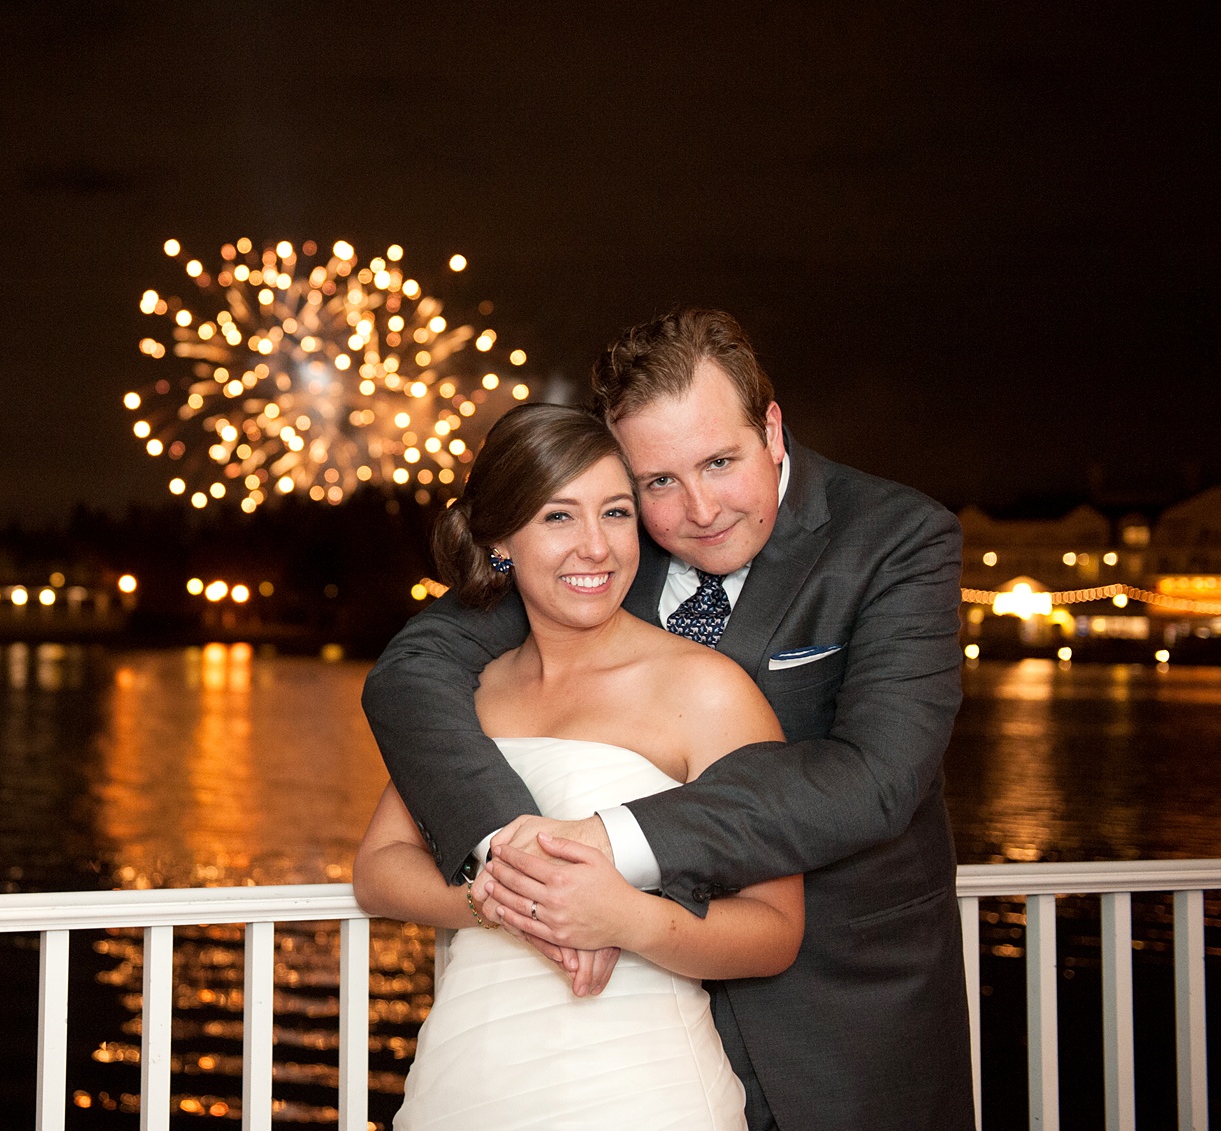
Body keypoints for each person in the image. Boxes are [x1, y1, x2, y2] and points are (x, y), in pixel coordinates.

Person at [362, 309, 975, 1131]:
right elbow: (413, 670)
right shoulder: (605, 539)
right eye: (657, 482)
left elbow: (876, 779)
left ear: (772, 425)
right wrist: (510, 873)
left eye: (720, 461)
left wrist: (606, 845)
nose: (698, 508)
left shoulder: (897, 539)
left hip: (843, 1024)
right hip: (614, 1032)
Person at [354, 402, 802, 1130]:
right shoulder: (474, 694)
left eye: (617, 513)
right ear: (500, 539)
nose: (595, 546)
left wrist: (625, 917)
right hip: (469, 1076)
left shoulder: (708, 689)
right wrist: (502, 903)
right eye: (559, 517)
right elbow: (378, 868)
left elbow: (776, 929)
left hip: (640, 1087)